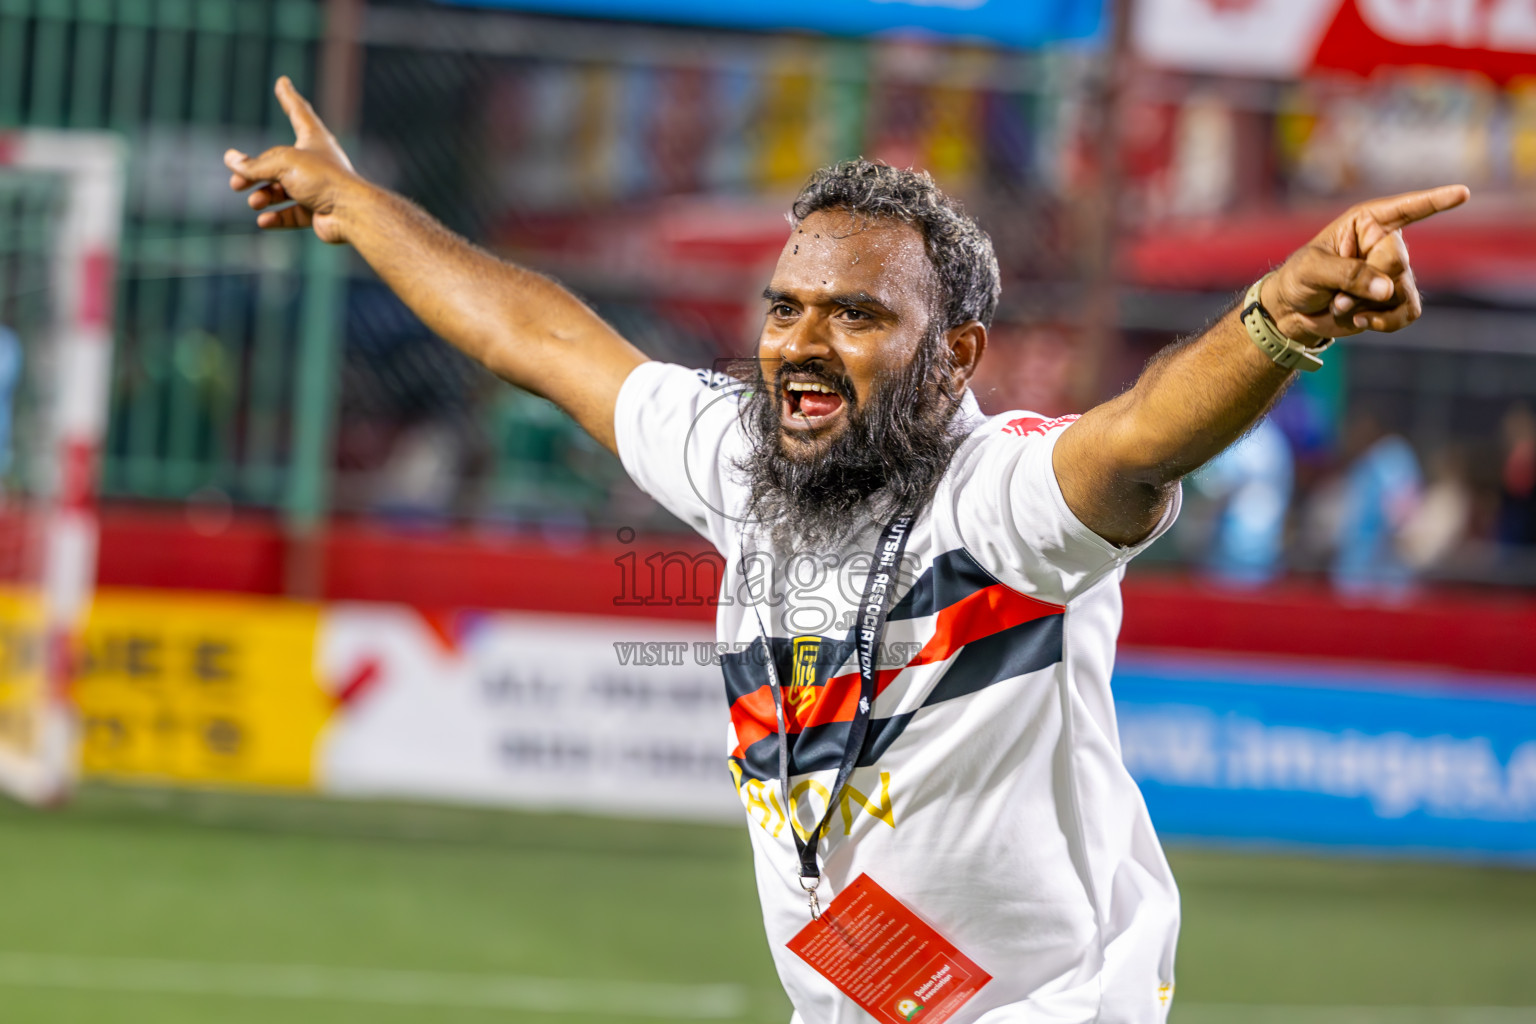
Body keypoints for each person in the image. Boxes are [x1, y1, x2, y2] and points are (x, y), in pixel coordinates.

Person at [225, 77, 1467, 1024]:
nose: (802, 342)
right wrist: (353, 203)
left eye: (858, 314)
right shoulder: (742, 455)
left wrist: (1279, 317)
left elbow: (1138, 439)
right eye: (786, 307)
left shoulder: (999, 501)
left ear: (955, 357)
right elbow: (542, 340)